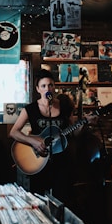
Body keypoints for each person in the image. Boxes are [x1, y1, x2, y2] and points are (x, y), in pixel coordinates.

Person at [9, 69, 96, 205]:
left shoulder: (64, 107)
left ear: (54, 87)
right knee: (37, 199)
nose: (47, 89)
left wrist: (85, 123)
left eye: (50, 85)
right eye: (43, 86)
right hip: (38, 159)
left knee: (62, 198)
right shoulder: (30, 109)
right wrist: (33, 141)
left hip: (61, 159)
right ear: (38, 89)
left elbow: (73, 132)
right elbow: (14, 132)